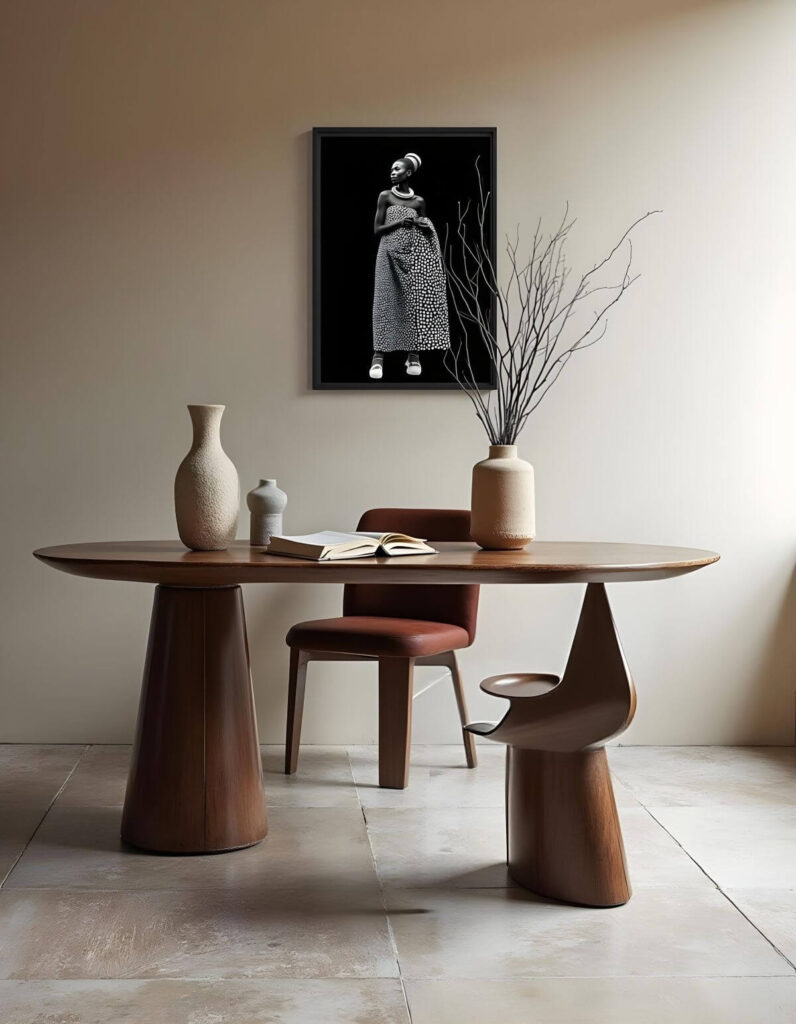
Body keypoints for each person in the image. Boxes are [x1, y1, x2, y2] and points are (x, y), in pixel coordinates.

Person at [370, 152, 450, 379]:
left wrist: (424, 225)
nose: (392, 172)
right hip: (387, 254)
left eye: (397, 169)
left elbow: (425, 227)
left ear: (408, 172)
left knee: (413, 302)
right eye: (392, 169)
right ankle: (378, 357)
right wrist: (398, 222)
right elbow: (377, 230)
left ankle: (413, 354)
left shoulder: (419, 202)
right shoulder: (385, 196)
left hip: (413, 257)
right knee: (385, 302)